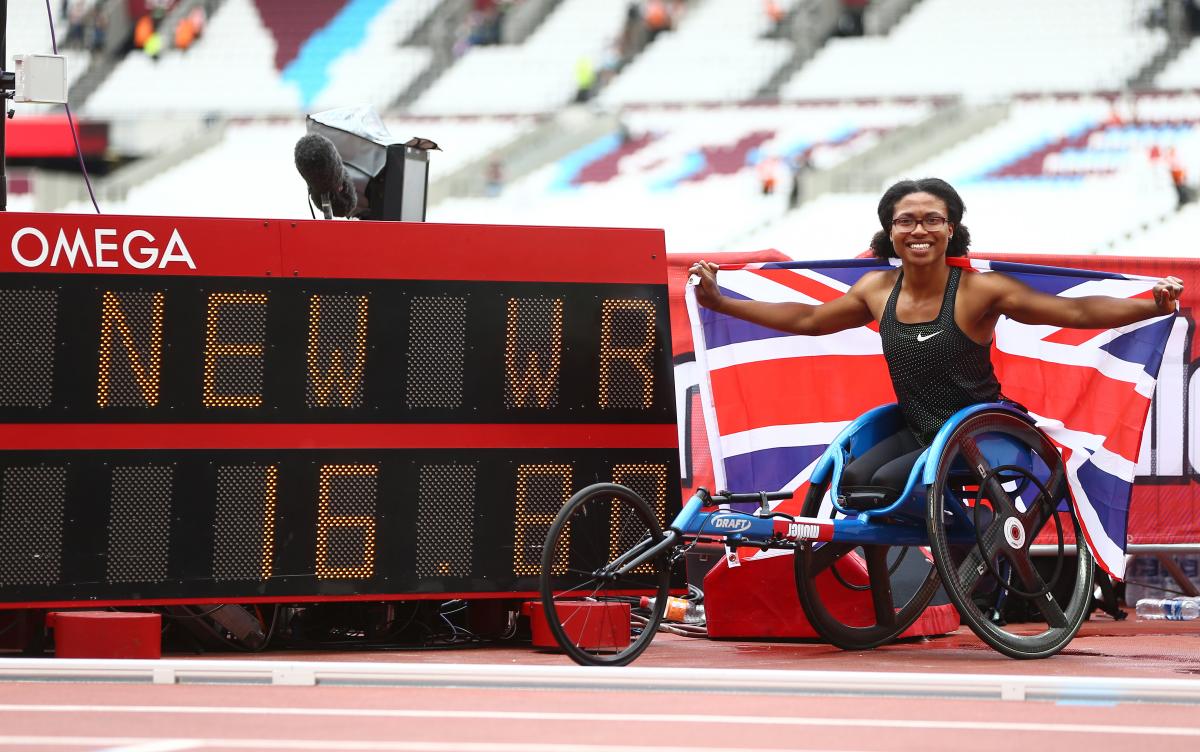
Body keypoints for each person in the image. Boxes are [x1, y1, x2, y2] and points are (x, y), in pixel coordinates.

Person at [689, 178, 1183, 507]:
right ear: (890, 231)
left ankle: (970, 540)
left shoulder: (978, 291)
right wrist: (720, 302)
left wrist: (1148, 305)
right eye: (906, 220)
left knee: (885, 484)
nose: (918, 230)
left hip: (978, 429)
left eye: (932, 219)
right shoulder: (876, 290)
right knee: (850, 484)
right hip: (918, 427)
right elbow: (808, 319)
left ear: (951, 229)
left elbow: (1075, 312)